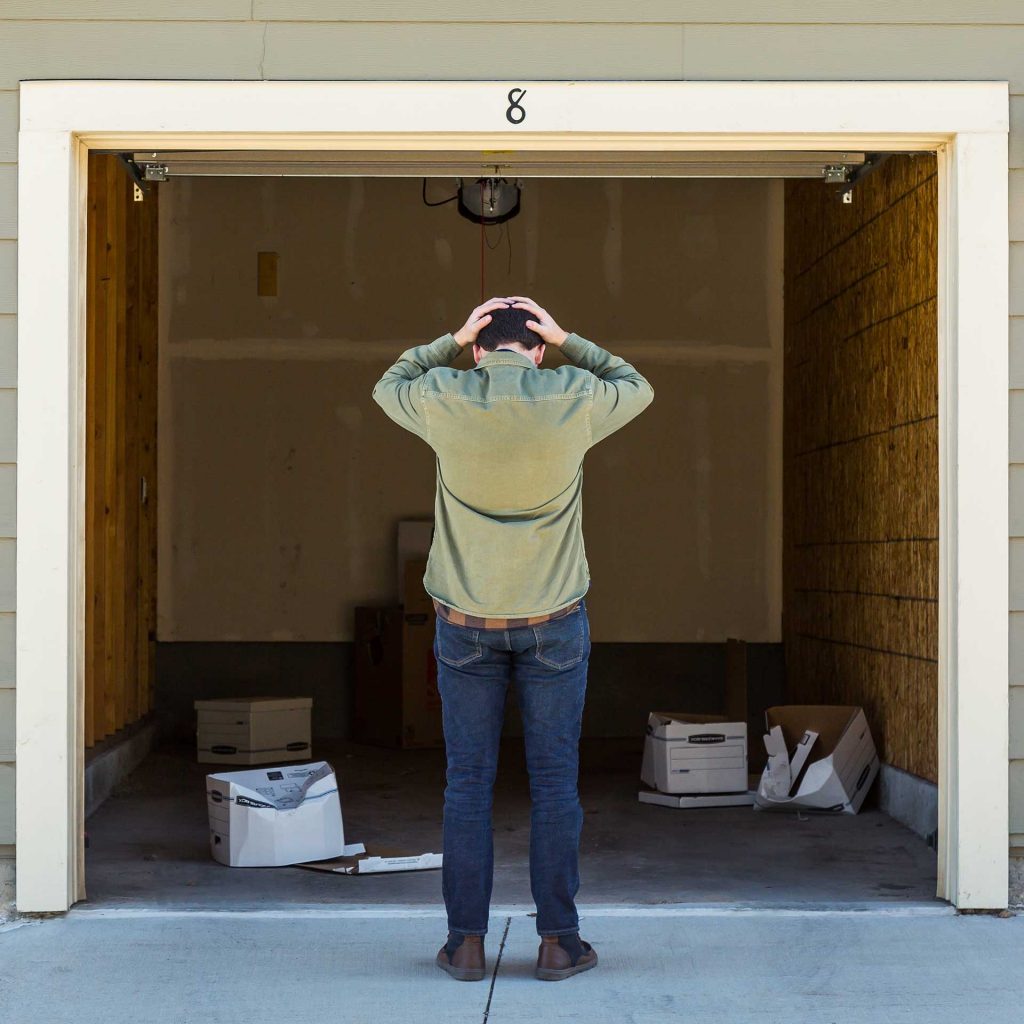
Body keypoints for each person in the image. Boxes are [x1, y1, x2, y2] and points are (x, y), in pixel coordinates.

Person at [372, 296, 653, 982]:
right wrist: (569, 339)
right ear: (536, 349)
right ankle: (559, 942)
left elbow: (388, 386)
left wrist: (448, 338)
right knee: (555, 785)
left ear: (477, 349)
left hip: (464, 625)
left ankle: (465, 944)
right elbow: (637, 387)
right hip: (554, 622)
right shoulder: (573, 392)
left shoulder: (443, 392)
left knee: (467, 787)